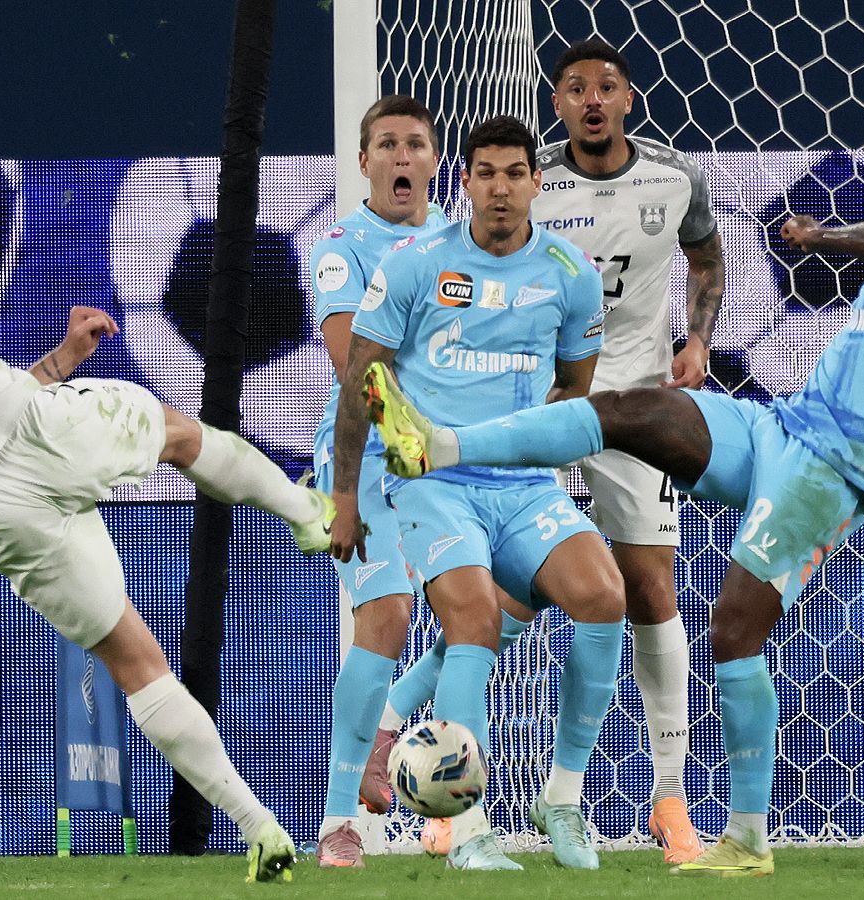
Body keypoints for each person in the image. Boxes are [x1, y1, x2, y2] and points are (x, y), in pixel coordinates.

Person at [362, 136, 864, 876]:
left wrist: (822, 236)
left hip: (830, 470)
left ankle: (747, 839)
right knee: (633, 410)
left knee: (732, 631)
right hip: (781, 429)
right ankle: (445, 446)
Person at [0, 181, 339, 884]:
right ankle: (307, 513)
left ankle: (260, 829)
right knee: (174, 432)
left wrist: (63, 359)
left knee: (137, 663)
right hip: (23, 437)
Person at [368, 37, 724, 864]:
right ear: (556, 103)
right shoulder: (531, 185)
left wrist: (699, 336)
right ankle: (438, 784)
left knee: (642, 589)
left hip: (635, 409)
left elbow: (707, 255)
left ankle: (667, 800)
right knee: (497, 607)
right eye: (575, 88)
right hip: (538, 418)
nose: (592, 99)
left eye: (607, 86)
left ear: (628, 97)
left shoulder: (675, 177)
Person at [329, 116, 626, 871]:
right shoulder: (414, 264)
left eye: (514, 173)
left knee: (604, 597)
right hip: (433, 484)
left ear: (536, 182)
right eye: (485, 173)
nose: (500, 187)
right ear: (463, 182)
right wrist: (346, 497)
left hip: (524, 487)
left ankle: (562, 799)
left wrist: (534, 452)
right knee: (474, 617)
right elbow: (362, 380)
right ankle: (466, 831)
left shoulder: (571, 272)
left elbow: (574, 391)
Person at [308, 95, 449, 868]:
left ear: (434, 161)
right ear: (363, 162)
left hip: (448, 455)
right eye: (386, 144)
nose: (401, 156)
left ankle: (389, 719)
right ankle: (339, 822)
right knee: (390, 612)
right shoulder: (342, 249)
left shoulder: (463, 244)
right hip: (366, 458)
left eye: (414, 144)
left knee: (505, 603)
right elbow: (352, 367)